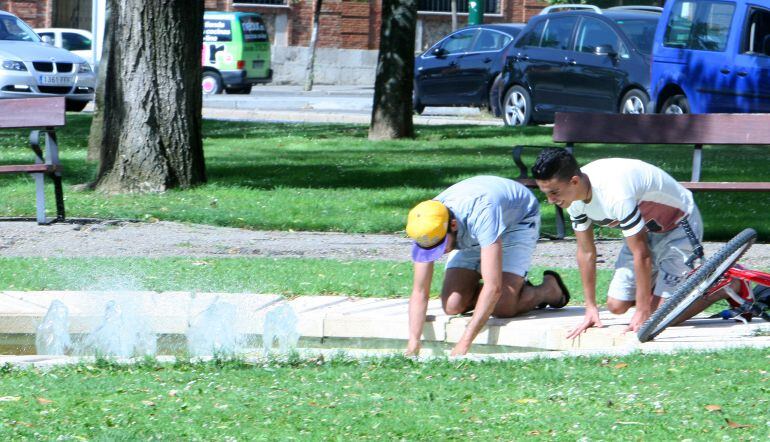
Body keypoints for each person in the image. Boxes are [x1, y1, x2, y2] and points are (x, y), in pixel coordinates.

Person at [532, 148, 706, 337]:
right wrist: (590, 308)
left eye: (554, 193)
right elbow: (586, 253)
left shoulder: (615, 194)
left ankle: (725, 284)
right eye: (546, 193)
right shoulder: (573, 199)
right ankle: (668, 289)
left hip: (679, 226)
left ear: (574, 181)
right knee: (616, 306)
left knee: (659, 315)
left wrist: (642, 309)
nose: (550, 200)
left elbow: (642, 255)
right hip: (647, 230)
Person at [404, 175, 570, 356]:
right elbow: (419, 292)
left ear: (452, 225)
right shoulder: (427, 227)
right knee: (453, 305)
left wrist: (463, 344)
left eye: (441, 246)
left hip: (516, 221)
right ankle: (514, 288)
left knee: (503, 305)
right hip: (471, 231)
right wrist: (413, 343)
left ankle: (548, 289)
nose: (439, 253)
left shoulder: (481, 213)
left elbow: (493, 287)